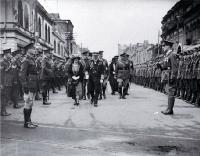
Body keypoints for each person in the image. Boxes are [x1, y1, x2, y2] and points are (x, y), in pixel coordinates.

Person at [20, 48, 38, 128]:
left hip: (33, 85)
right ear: (28, 53)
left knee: (30, 104)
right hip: (28, 86)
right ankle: (26, 123)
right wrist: (25, 86)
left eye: (34, 54)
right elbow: (22, 75)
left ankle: (29, 121)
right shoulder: (26, 61)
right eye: (32, 54)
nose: (33, 55)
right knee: (27, 104)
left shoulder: (32, 61)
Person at [159, 40, 179, 115]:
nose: (163, 47)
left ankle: (170, 110)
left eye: (164, 46)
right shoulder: (167, 55)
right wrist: (160, 67)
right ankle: (168, 108)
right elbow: (165, 67)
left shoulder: (172, 55)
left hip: (170, 76)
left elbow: (174, 67)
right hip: (166, 76)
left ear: (168, 46)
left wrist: (173, 77)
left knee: (171, 92)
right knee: (169, 92)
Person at [1, 49, 13, 116]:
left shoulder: (8, 62)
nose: (11, 55)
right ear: (6, 55)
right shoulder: (2, 62)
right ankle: (3, 111)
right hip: (4, 82)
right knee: (4, 97)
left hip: (8, 82)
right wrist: (1, 83)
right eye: (9, 54)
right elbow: (1, 73)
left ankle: (4, 111)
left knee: (6, 97)